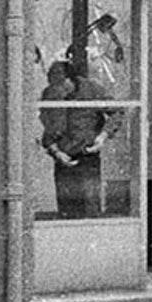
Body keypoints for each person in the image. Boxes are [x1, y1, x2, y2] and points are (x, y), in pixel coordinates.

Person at [39, 56, 113, 218]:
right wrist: (56, 152)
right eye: (52, 86)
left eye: (59, 86)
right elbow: (47, 128)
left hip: (87, 157)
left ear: (69, 80)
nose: (57, 92)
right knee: (66, 212)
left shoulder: (93, 89)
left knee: (90, 209)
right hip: (63, 160)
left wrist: (102, 137)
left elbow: (118, 112)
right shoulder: (50, 94)